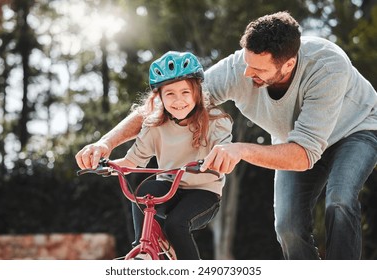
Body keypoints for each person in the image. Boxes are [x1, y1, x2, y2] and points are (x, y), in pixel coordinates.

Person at [76, 11, 377, 259]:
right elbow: (169, 107)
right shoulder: (239, 68)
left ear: (288, 64)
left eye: (258, 69)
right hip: (293, 140)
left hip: (356, 131)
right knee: (287, 226)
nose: (247, 74)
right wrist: (107, 142)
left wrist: (241, 150)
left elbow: (304, 155)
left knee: (339, 199)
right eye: (246, 63)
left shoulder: (327, 67)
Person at [77, 51, 233, 260]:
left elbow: (225, 154)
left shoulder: (216, 121)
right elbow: (132, 162)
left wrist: (218, 161)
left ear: (197, 92)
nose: (178, 101)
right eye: (170, 94)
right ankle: (144, 252)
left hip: (203, 192)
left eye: (185, 92)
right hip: (169, 187)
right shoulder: (154, 126)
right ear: (159, 97)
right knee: (143, 193)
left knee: (176, 224)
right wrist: (106, 166)